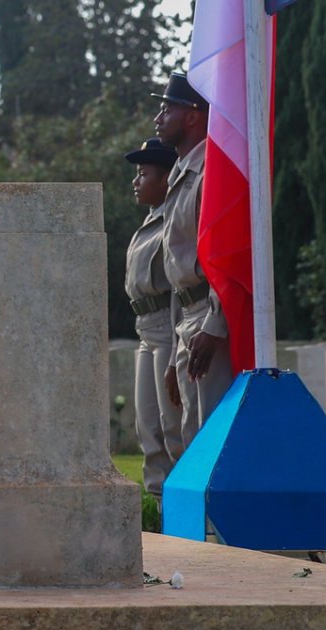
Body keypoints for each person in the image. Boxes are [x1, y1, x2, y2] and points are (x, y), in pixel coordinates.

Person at [152, 72, 231, 450]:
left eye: (167, 108)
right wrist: (171, 354)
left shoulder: (211, 174)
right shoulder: (181, 176)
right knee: (191, 439)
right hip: (186, 319)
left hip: (208, 320)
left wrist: (215, 325)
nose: (158, 118)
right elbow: (175, 271)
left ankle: (217, 514)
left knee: (212, 439)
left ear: (193, 116)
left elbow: (225, 255)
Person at [123, 138, 185, 504]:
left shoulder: (174, 219)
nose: (136, 181)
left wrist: (178, 345)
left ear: (166, 179)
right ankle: (158, 505)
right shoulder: (149, 221)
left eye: (144, 173)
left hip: (167, 325)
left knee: (171, 425)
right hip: (145, 329)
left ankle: (184, 509)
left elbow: (178, 286)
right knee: (147, 427)